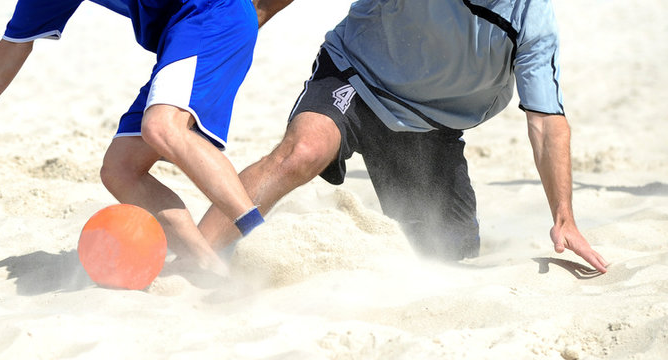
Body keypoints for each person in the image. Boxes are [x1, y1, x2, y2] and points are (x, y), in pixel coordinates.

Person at [198, 0, 609, 273]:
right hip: (356, 75)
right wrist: (254, 14)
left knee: (449, 255)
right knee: (303, 151)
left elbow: (546, 122)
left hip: (430, 128)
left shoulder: (532, 20)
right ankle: (192, 255)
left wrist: (563, 217)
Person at [0, 0, 266, 274]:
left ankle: (263, 240)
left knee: (161, 127)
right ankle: (207, 271)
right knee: (120, 169)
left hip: (214, 16)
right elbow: (15, 44)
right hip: (180, 37)